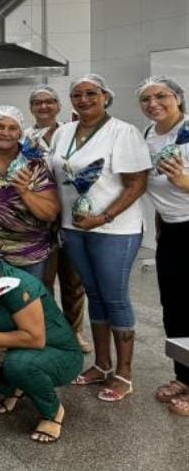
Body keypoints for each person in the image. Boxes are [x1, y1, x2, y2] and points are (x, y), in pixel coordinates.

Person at [48, 74, 150, 402]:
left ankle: (124, 373)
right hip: (74, 226)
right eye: (76, 95)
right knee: (93, 293)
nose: (84, 100)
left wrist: (104, 217)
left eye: (91, 93)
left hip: (114, 229)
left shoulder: (123, 132)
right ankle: (102, 364)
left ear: (106, 96)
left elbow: (136, 183)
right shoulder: (64, 132)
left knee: (115, 296)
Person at [0, 229, 82, 443]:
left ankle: (52, 412)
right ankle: (20, 387)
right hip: (5, 350)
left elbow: (35, 339)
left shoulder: (18, 285)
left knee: (18, 364)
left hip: (56, 352)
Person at [23, 85, 90, 353]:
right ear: (31, 107)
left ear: (59, 105)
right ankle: (51, 330)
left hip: (72, 216)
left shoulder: (72, 134)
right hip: (39, 220)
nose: (44, 107)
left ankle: (75, 332)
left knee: (74, 280)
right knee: (44, 281)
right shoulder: (24, 138)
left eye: (50, 102)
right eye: (38, 102)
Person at [136, 75, 189, 416]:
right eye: (146, 99)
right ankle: (183, 376)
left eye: (161, 96)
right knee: (175, 307)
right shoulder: (148, 136)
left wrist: (186, 182)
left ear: (178, 97)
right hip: (171, 232)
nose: (153, 103)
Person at [0, 106, 60, 281]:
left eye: (12, 128)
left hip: (29, 255)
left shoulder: (34, 164)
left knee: (29, 305)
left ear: (20, 133)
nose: (5, 133)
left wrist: (24, 191)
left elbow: (50, 213)